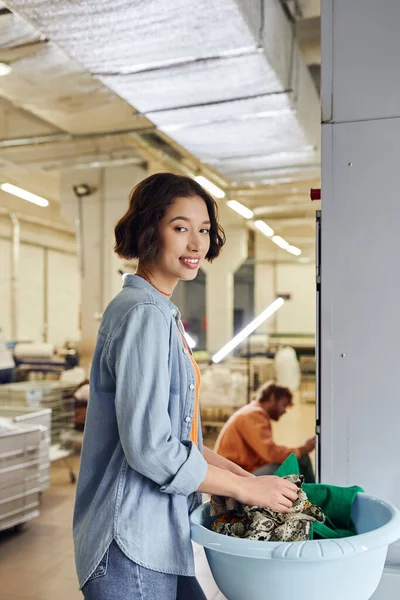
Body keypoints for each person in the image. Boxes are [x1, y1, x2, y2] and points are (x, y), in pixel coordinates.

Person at [73, 173, 298, 600]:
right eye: (180, 228)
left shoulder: (161, 312)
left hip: (159, 538)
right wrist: (247, 487)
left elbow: (180, 439)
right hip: (130, 543)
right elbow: (151, 449)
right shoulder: (143, 314)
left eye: (204, 230)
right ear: (147, 229)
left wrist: (239, 475)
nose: (196, 244)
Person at [215, 381, 316, 482]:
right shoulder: (253, 415)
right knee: (300, 459)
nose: (284, 411)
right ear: (272, 398)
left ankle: (309, 494)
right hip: (235, 477)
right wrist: (303, 449)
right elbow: (271, 454)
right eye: (284, 405)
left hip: (239, 472)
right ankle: (316, 495)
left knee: (294, 461)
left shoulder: (253, 412)